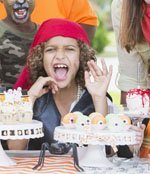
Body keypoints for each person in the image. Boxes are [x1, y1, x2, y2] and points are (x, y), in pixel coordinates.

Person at [8, 19, 111, 150]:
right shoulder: (31, 99)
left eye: (70, 49)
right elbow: (15, 149)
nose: (60, 56)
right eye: (51, 49)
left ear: (81, 57)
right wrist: (30, 98)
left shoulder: (97, 98)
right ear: (40, 57)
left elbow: (107, 151)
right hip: (40, 170)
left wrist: (98, 99)